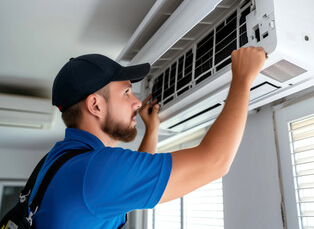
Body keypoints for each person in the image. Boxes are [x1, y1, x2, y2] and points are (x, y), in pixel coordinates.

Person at [28, 47, 266, 228]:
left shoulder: (61, 161)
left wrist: (151, 131)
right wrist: (243, 80)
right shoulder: (95, 172)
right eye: (126, 93)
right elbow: (214, 162)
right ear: (95, 105)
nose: (137, 102)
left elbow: (126, 180)